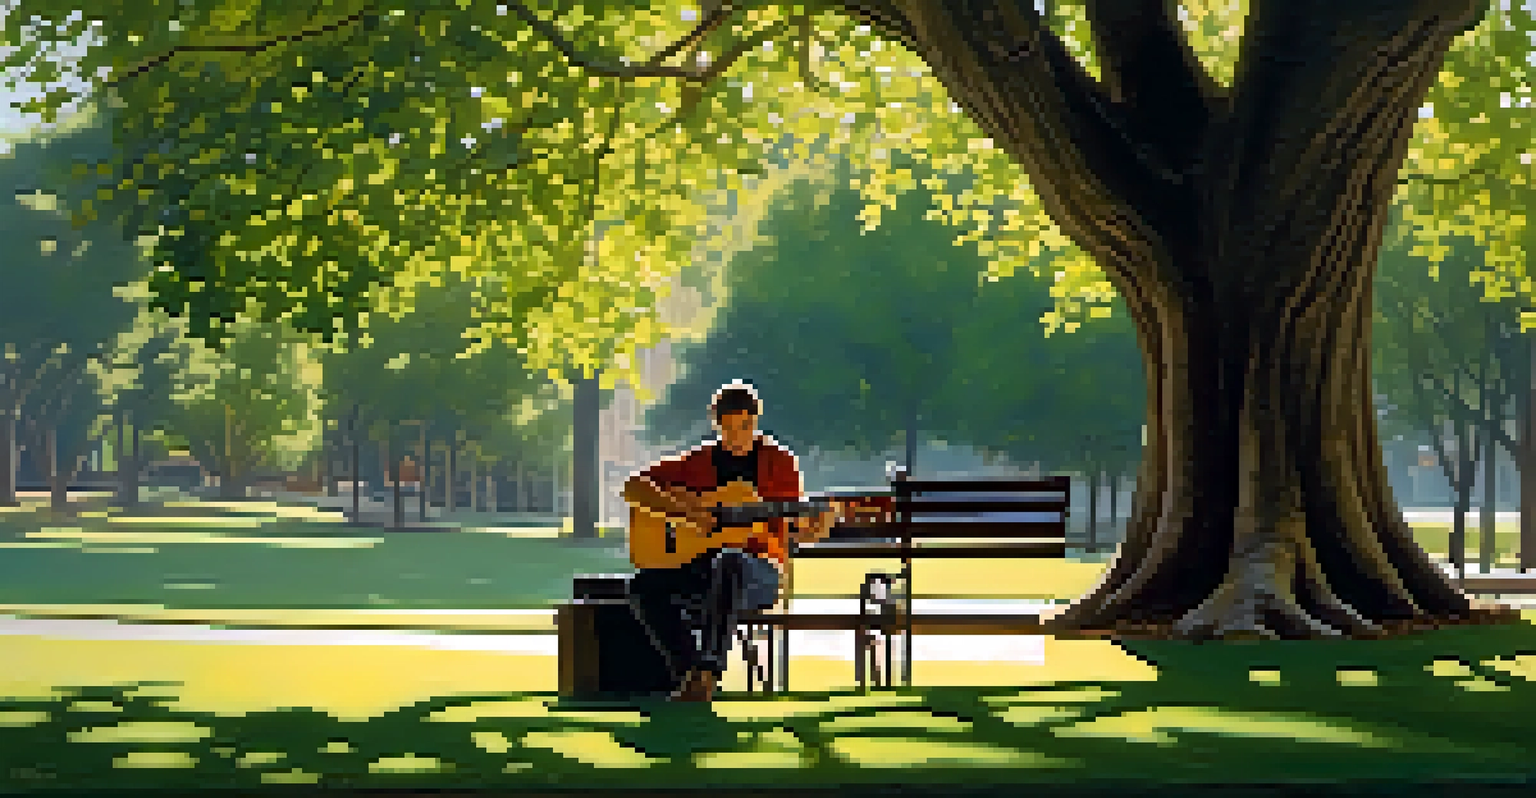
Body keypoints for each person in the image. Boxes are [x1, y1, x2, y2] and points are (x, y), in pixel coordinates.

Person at [621, 380, 838, 701]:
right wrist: (686, 513)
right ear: (717, 425)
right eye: (729, 428)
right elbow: (633, 487)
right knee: (643, 586)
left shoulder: (779, 463)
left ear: (756, 421)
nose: (737, 436)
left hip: (760, 574)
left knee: (731, 560)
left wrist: (818, 529)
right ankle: (689, 674)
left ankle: (708, 671)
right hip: (704, 570)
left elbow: (797, 530)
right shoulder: (697, 463)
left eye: (745, 426)